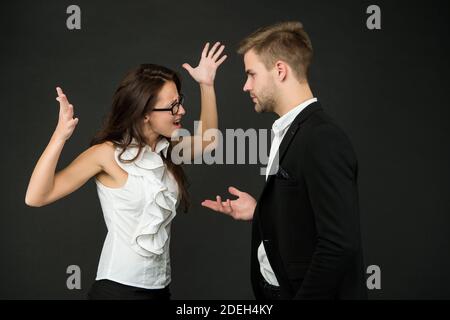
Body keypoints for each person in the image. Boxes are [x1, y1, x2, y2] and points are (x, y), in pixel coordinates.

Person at [25, 42, 227, 299]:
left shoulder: (168, 150)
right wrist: (59, 137)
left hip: (160, 290)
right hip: (117, 291)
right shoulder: (106, 154)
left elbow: (209, 141)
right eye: (173, 106)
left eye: (181, 101)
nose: (182, 111)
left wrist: (206, 84)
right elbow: (36, 196)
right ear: (144, 113)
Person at [201, 22, 367, 300]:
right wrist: (262, 211)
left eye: (251, 75)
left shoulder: (322, 138)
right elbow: (307, 213)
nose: (245, 86)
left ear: (280, 70)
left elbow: (339, 244)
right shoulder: (289, 130)